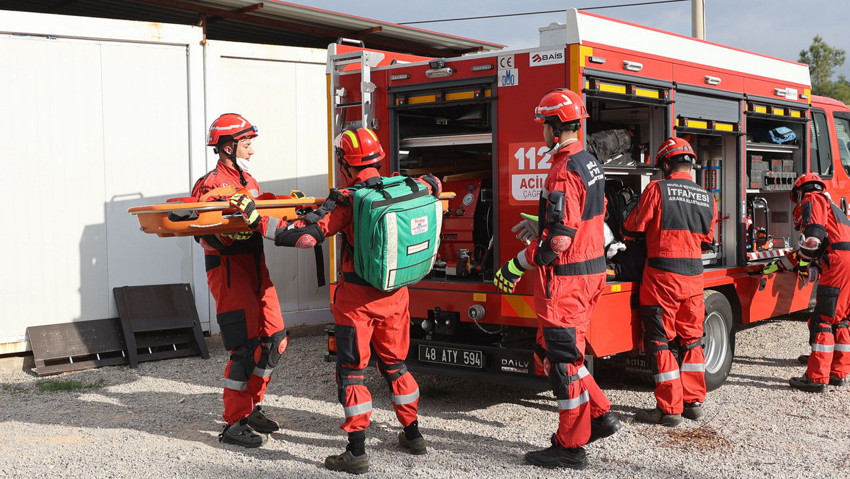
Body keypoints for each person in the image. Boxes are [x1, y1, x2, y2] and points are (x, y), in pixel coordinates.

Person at [230, 127, 440, 474]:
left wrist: (256, 219)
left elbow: (302, 238)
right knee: (396, 365)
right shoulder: (407, 185)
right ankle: (413, 434)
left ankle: (356, 453)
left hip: (357, 303)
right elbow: (435, 184)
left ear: (345, 163)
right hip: (396, 295)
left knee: (352, 373)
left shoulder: (347, 199)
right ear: (378, 158)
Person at [494, 89, 620, 470]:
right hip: (588, 274)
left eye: (544, 126)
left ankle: (570, 446)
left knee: (562, 362)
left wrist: (517, 262)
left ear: (553, 127)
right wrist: (543, 224)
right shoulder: (589, 163)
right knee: (568, 355)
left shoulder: (563, 170)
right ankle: (600, 415)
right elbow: (587, 220)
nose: (542, 133)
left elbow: (561, 241)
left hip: (564, 281)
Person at [192, 113, 288, 448]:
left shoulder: (248, 180)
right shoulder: (210, 185)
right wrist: (233, 229)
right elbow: (203, 235)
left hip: (256, 268)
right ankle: (234, 423)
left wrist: (283, 205)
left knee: (275, 340)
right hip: (229, 271)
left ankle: (251, 406)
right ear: (228, 146)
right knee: (244, 348)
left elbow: (259, 213)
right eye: (246, 143)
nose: (252, 149)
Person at [622, 137, 716, 427]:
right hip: (694, 280)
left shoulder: (657, 189)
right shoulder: (707, 197)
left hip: (662, 279)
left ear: (665, 164)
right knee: (692, 340)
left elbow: (634, 227)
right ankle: (694, 401)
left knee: (660, 342)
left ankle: (669, 409)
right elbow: (707, 241)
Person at [764, 173, 850, 392]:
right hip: (845, 261)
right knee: (840, 319)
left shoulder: (812, 198)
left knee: (823, 319)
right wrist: (783, 263)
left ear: (799, 192)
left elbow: (812, 239)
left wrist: (793, 263)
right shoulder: (835, 208)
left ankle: (817, 377)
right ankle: (838, 372)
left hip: (837, 262)